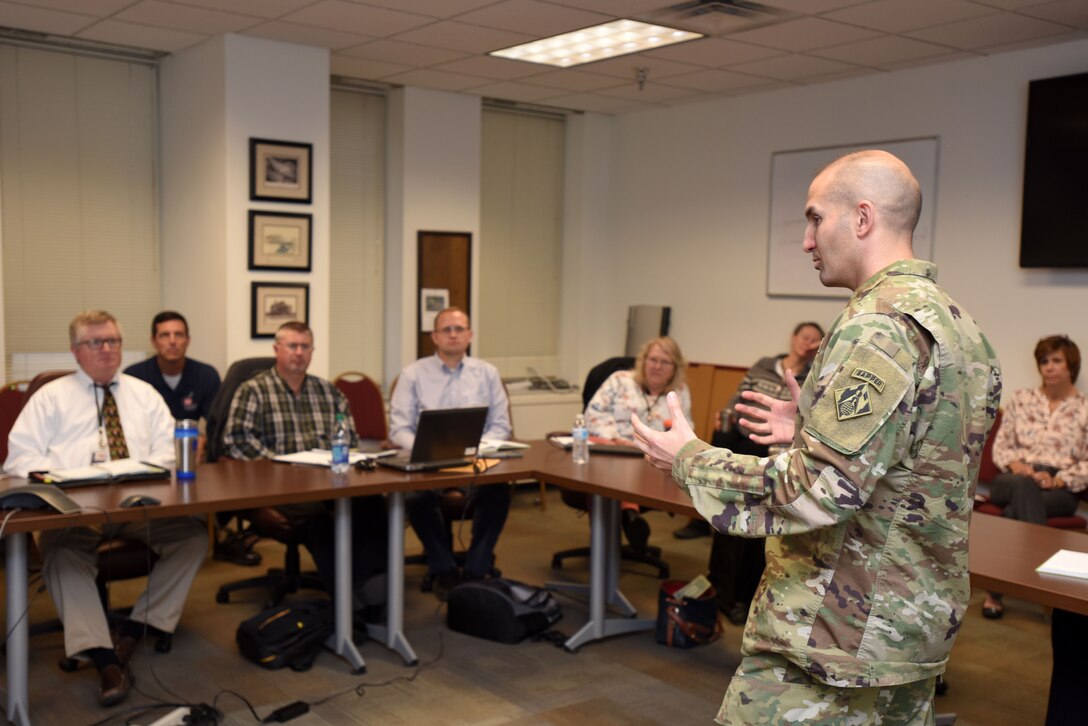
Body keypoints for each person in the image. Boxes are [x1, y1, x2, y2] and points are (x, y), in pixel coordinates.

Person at [632, 150, 1001, 725]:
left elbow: (817, 488)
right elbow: (915, 462)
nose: (806, 241)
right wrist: (808, 427)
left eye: (814, 219)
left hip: (836, 632)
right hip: (912, 628)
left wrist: (691, 457)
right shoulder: (961, 326)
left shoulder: (878, 325)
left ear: (861, 218)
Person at [4, 310, 208, 708]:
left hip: (138, 506)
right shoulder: (50, 397)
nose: (108, 349)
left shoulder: (143, 393)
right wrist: (74, 473)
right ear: (76, 351)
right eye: (96, 342)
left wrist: (139, 469)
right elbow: (18, 460)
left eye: (113, 340)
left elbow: (170, 450)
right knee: (61, 555)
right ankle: (104, 658)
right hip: (74, 511)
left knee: (193, 537)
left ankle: (134, 629)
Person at [221, 321, 388, 611]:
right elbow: (236, 441)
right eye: (292, 346)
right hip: (277, 485)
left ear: (312, 351)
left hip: (327, 480)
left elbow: (349, 439)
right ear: (277, 350)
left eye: (305, 347)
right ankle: (349, 604)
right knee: (318, 519)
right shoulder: (253, 390)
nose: (299, 353)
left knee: (372, 504)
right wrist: (280, 464)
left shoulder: (328, 392)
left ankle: (375, 590)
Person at [389, 307, 512, 600]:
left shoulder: (487, 373)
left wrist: (476, 450)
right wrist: (423, 451)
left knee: (498, 493)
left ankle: (476, 568)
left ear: (470, 335)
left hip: (476, 461)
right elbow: (399, 429)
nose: (454, 334)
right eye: (447, 329)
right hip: (429, 464)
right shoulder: (413, 374)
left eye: (460, 329)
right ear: (434, 336)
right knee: (417, 498)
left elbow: (501, 426)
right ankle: (442, 567)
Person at [706, 321, 824, 626]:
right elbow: (737, 402)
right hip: (742, 445)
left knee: (756, 531)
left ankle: (743, 597)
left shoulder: (812, 376)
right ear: (793, 337)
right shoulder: (762, 365)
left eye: (814, 339)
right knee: (728, 523)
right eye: (804, 336)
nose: (807, 342)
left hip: (776, 457)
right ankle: (720, 588)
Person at [981, 335, 1087, 619]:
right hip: (1012, 477)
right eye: (1044, 361)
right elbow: (1001, 446)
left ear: (1071, 367)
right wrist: (1019, 467)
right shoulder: (1022, 399)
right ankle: (1046, 582)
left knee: (1017, 509)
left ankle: (995, 592)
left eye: (1056, 361)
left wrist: (1058, 479)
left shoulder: (1084, 408)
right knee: (1020, 487)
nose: (1049, 367)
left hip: (1059, 489)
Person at [585, 336, 692, 549]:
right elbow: (593, 414)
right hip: (613, 451)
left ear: (675, 367)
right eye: (652, 360)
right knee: (611, 475)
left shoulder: (679, 392)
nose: (657, 367)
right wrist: (617, 440)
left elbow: (686, 430)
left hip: (653, 461)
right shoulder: (620, 380)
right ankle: (629, 514)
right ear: (643, 360)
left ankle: (624, 519)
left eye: (665, 362)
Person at [124, 311, 221, 424]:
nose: (172, 341)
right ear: (154, 341)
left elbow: (218, 426)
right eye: (165, 335)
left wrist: (204, 439)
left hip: (188, 440)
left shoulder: (206, 376)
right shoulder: (134, 377)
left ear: (188, 340)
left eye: (179, 334)